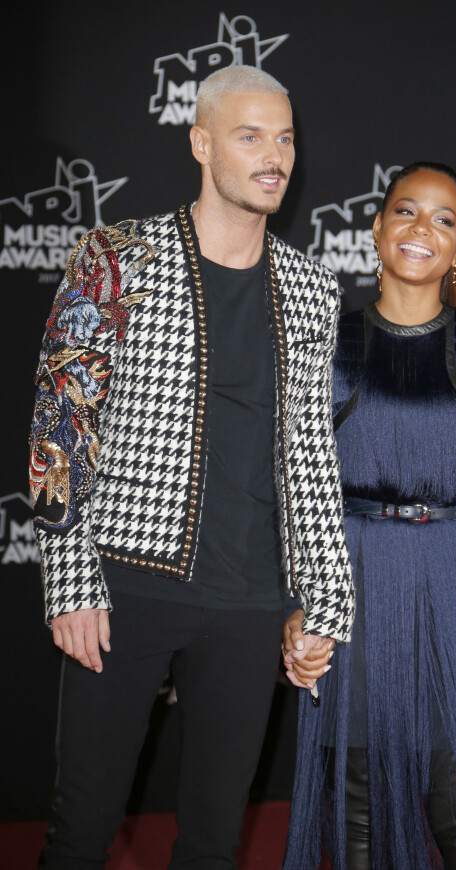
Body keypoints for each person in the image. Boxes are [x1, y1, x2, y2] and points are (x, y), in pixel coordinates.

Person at [29, 65, 354, 870]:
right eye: (250, 137)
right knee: (82, 830)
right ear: (202, 142)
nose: (274, 156)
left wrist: (326, 598)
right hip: (126, 587)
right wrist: (70, 579)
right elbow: (60, 423)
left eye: (284, 138)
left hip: (247, 602)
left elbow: (310, 451)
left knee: (213, 842)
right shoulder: (116, 256)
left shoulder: (312, 289)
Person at [282, 162, 456, 870]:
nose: (421, 228)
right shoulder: (325, 349)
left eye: (443, 219)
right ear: (376, 228)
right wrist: (300, 611)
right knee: (361, 823)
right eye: (405, 210)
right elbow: (300, 503)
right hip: (358, 598)